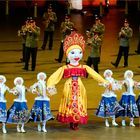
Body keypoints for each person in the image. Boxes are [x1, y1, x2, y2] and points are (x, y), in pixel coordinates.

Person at [47, 32, 109, 130]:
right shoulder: (65, 68)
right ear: (67, 55)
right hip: (69, 87)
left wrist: (103, 81)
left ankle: (76, 121)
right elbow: (55, 76)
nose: (77, 55)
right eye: (73, 53)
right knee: (70, 103)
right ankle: (71, 120)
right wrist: (50, 84)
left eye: (79, 52)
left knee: (79, 102)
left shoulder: (83, 67)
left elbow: (94, 74)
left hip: (79, 87)